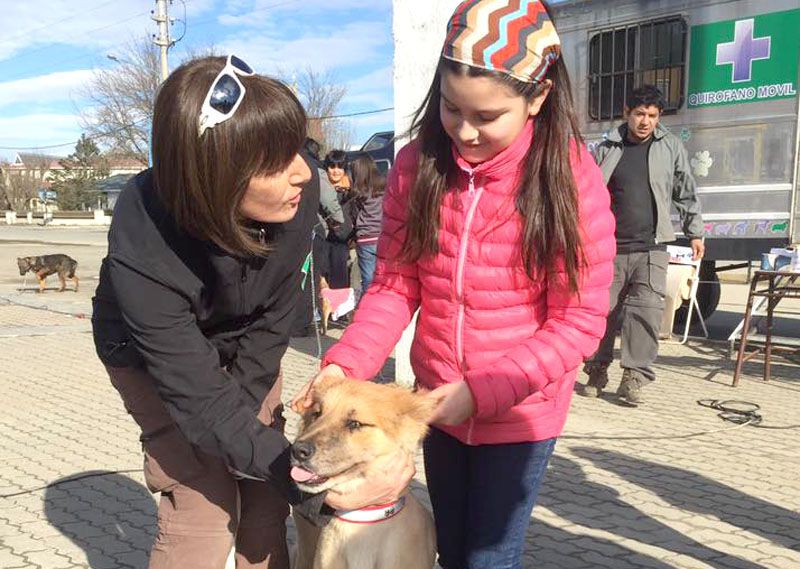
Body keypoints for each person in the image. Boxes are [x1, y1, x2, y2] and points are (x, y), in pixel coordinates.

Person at [293, 2, 616, 567]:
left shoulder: (568, 178)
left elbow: (579, 321)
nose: (465, 131)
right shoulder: (417, 166)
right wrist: (345, 365)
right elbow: (394, 285)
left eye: (487, 116)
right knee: (450, 550)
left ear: (537, 97)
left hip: (520, 415)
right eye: (451, 108)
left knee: (486, 559)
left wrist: (483, 392)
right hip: (438, 406)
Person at [91, 55, 409, 569]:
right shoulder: (143, 234)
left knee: (263, 494)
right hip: (154, 358)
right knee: (203, 501)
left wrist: (275, 463)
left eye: (296, 148)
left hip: (247, 340)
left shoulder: (294, 196)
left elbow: (271, 323)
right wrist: (314, 488)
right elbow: (196, 395)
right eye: (275, 162)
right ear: (214, 177)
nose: (304, 172)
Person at [578, 85, 705, 405]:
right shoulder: (607, 147)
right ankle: (596, 370)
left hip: (652, 247)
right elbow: (585, 192)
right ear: (627, 113)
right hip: (608, 248)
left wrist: (695, 231)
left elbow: (685, 191)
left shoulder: (670, 147)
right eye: (639, 114)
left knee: (645, 313)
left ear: (659, 117)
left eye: (652, 115)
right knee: (601, 313)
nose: (645, 121)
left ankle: (634, 377)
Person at [290, 138, 350, 337]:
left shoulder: (288, 166)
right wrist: (339, 220)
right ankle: (301, 324)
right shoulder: (314, 170)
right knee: (310, 278)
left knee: (295, 276)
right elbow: (329, 201)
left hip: (290, 230)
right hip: (313, 231)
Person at [347, 152, 385, 294]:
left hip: (365, 238)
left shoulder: (357, 192)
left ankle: (369, 302)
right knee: (384, 277)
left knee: (368, 279)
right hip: (383, 236)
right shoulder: (383, 187)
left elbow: (353, 215)